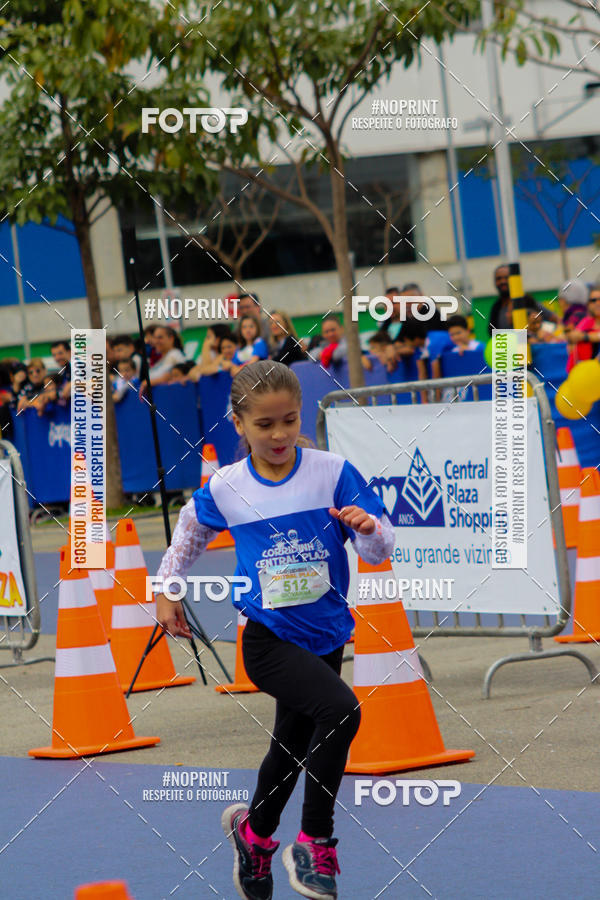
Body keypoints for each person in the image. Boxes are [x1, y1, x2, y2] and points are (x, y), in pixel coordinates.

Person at [155, 360, 394, 900]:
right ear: (239, 424)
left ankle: (255, 836)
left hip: (327, 631)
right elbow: (188, 535)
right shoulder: (229, 486)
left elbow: (380, 550)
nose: (280, 434)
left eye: (289, 420)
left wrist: (369, 528)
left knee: (291, 745)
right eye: (265, 425)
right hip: (266, 637)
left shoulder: (332, 471)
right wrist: (167, 590)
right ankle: (315, 841)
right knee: (340, 711)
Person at [487, 265, 557, 333]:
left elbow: (556, 320)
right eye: (499, 279)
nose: (503, 281)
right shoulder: (496, 308)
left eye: (506, 278)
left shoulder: (527, 301)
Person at [566, 286, 600, 371]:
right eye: (593, 300)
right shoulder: (587, 321)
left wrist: (585, 337)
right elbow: (573, 336)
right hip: (581, 372)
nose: (597, 303)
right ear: (588, 305)